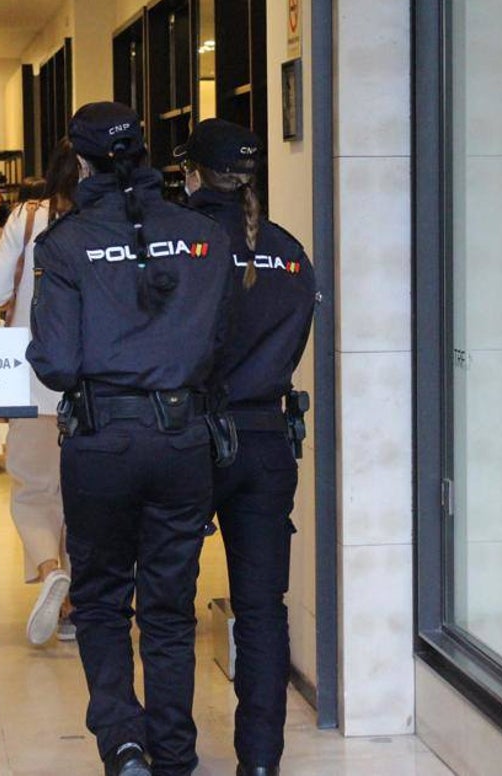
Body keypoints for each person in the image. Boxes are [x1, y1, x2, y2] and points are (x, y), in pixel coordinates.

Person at [27, 102, 232, 776]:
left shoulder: (64, 243)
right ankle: (176, 753)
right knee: (170, 610)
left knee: (106, 602)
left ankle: (123, 746)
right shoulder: (202, 234)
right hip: (183, 443)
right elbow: (220, 342)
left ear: (79, 162)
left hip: (103, 443)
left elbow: (55, 363)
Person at [180, 119, 316, 776]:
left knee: (167, 603)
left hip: (187, 437)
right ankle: (261, 762)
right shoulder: (290, 253)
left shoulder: (181, 244)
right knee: (264, 608)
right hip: (266, 442)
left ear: (192, 172)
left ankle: (171, 752)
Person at [0, 138, 79, 645]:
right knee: (87, 496)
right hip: (97, 387)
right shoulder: (114, 219)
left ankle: (49, 571)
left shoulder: (29, 217)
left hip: (36, 380)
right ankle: (80, 602)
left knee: (36, 491)